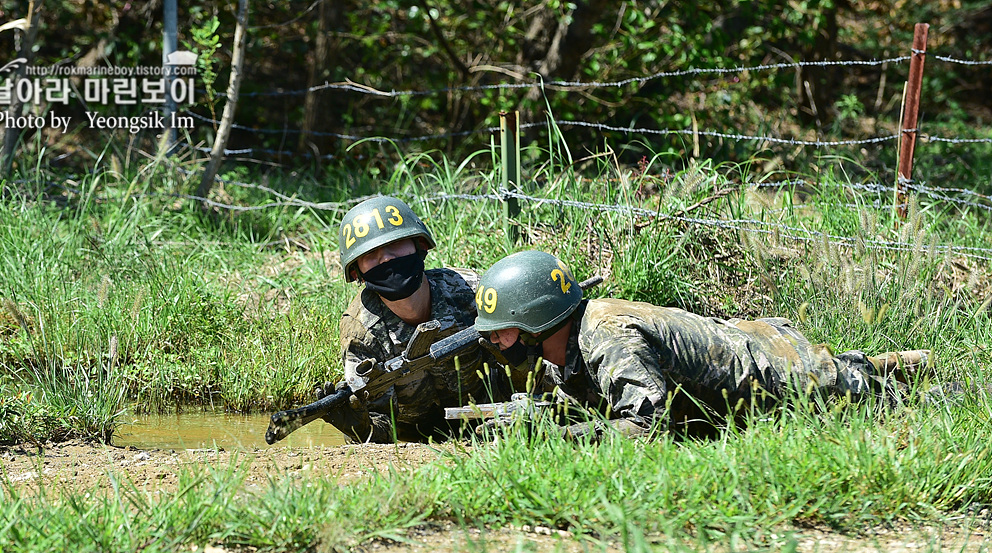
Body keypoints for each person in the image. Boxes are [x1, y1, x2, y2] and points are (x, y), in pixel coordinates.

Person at [473, 249, 933, 439]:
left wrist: (559, 436)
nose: (495, 342)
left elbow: (645, 425)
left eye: (501, 329)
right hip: (755, 347)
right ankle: (888, 365)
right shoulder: (568, 343)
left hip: (779, 377)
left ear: (536, 319)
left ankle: (932, 383)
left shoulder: (605, 334)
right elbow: (595, 400)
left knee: (879, 397)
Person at [317, 195, 507, 443]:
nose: (386, 258)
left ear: (419, 245)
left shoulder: (470, 291)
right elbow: (383, 426)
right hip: (414, 439)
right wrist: (361, 428)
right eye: (371, 254)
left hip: (490, 424)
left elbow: (525, 367)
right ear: (357, 272)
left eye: (394, 244)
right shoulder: (360, 330)